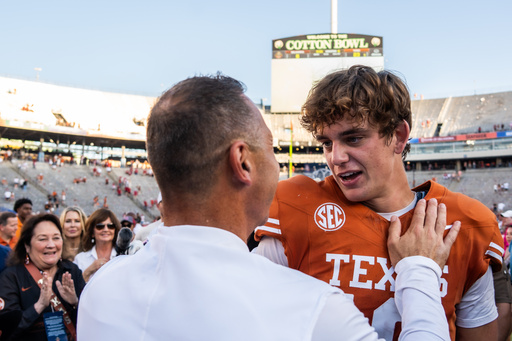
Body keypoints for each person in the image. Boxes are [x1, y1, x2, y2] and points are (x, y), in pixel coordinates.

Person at [77, 74, 459, 340]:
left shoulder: (101, 290)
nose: (334, 159)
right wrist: (420, 269)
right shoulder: (312, 309)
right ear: (243, 163)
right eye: (273, 149)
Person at [254, 65, 504, 340]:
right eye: (326, 143)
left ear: (398, 136)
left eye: (354, 138)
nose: (336, 157)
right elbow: (249, 316)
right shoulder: (297, 207)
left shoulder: (465, 224)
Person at [0, 214, 85, 340]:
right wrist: (38, 306)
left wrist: (76, 303)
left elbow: (92, 321)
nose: (51, 245)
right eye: (42, 239)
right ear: (27, 245)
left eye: (56, 238)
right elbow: (5, 331)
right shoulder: (11, 277)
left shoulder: (72, 271)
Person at [73, 208, 120, 282]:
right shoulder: (80, 259)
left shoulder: (124, 256)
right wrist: (89, 270)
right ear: (92, 233)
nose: (106, 229)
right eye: (100, 226)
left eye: (110, 226)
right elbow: (75, 290)